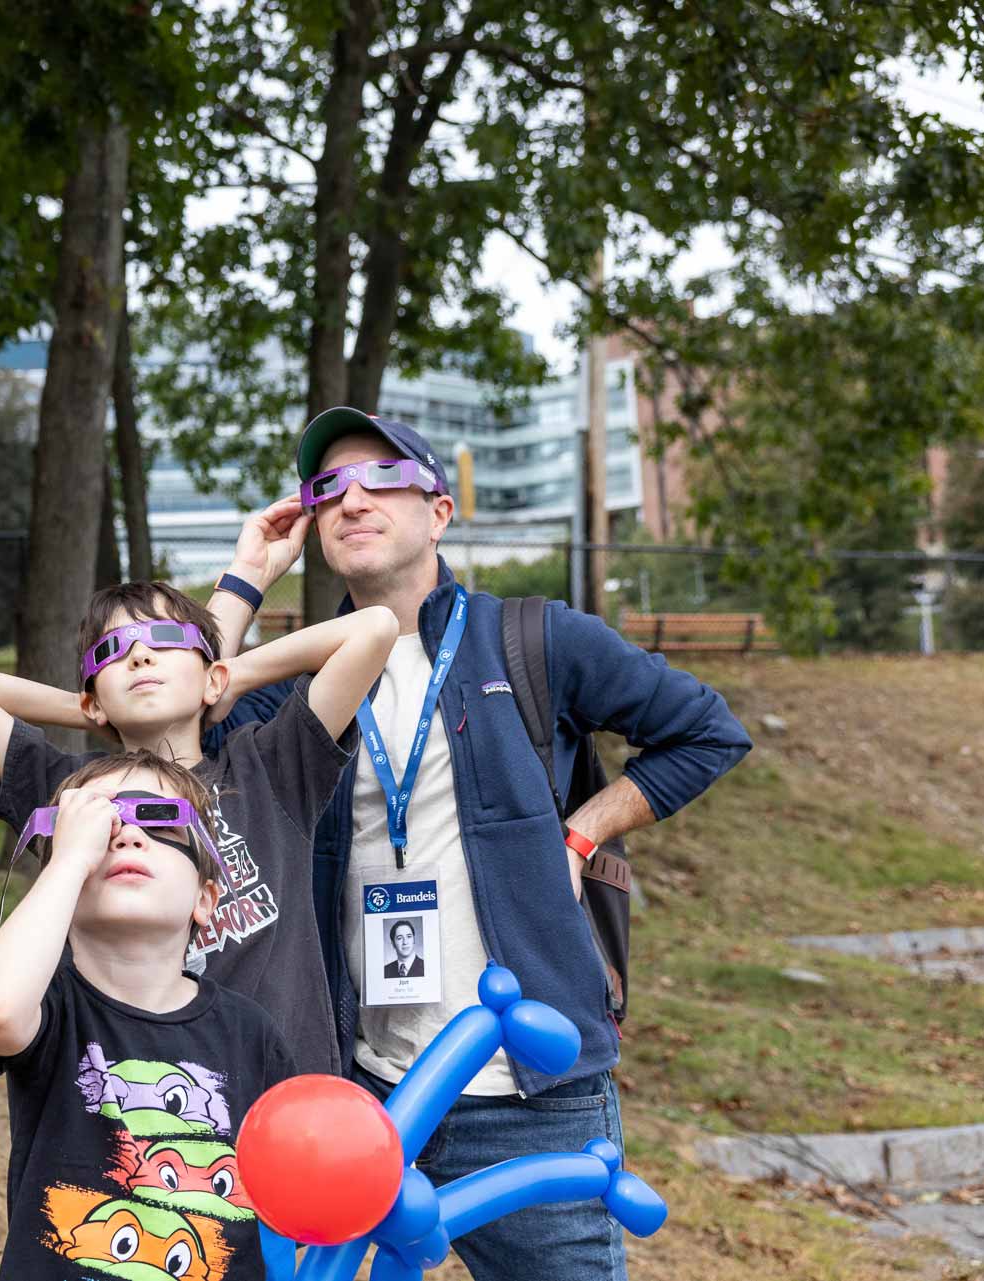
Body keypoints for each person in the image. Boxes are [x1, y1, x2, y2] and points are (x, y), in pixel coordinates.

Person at [210, 407, 752, 1281]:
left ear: (439, 511)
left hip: (531, 1098)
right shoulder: (305, 680)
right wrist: (244, 577)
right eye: (328, 489)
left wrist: (585, 830)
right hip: (363, 1096)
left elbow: (708, 734)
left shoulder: (534, 640)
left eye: (382, 478)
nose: (352, 500)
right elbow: (185, 729)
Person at [0, 577, 397, 1077]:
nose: (140, 658)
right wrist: (89, 709)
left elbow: (374, 629)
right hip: (140, 1103)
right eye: (112, 651)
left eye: (167, 640)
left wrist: (224, 678)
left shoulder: (269, 768)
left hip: (283, 1103)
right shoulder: (75, 792)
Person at [0, 751, 297, 1281]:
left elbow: (295, 1181)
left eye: (160, 819)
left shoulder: (250, 1031)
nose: (126, 836)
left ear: (205, 899)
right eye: (102, 827)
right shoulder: (53, 1008)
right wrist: (69, 862)